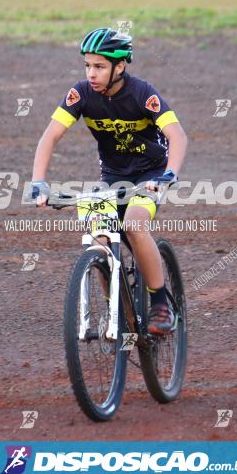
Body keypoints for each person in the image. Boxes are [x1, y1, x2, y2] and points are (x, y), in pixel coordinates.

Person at [30, 27, 188, 335]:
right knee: (99, 239)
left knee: (134, 224)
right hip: (113, 178)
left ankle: (160, 304)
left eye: (99, 66)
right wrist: (39, 181)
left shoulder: (143, 92)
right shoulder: (81, 94)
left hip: (150, 174)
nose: (91, 73)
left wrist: (169, 175)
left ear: (120, 66)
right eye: (88, 65)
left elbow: (177, 136)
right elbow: (50, 136)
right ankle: (116, 305)